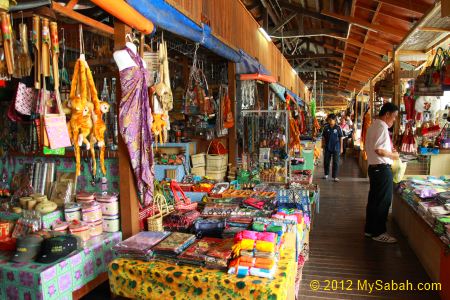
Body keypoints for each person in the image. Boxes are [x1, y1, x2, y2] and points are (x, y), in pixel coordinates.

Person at [364, 102, 399, 243]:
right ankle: (379, 232)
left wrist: (389, 152)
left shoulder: (374, 126)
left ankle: (370, 230)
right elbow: (379, 149)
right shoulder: (381, 127)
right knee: (382, 201)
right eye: (394, 116)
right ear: (387, 114)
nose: (395, 120)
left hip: (375, 168)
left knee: (374, 200)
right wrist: (393, 156)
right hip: (381, 169)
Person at [322, 114, 344, 182]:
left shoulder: (338, 127)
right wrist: (323, 146)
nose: (330, 121)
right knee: (326, 161)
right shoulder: (325, 127)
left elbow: (341, 138)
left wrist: (341, 148)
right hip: (327, 147)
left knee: (336, 162)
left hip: (336, 147)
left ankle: (335, 176)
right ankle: (326, 174)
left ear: (334, 120)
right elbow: (323, 137)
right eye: (329, 119)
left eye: (331, 119)